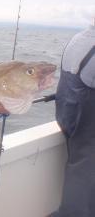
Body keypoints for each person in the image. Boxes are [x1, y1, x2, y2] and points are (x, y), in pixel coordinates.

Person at [53, 20, 95, 217]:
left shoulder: (77, 38)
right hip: (86, 124)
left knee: (80, 168)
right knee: (84, 173)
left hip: (69, 115)